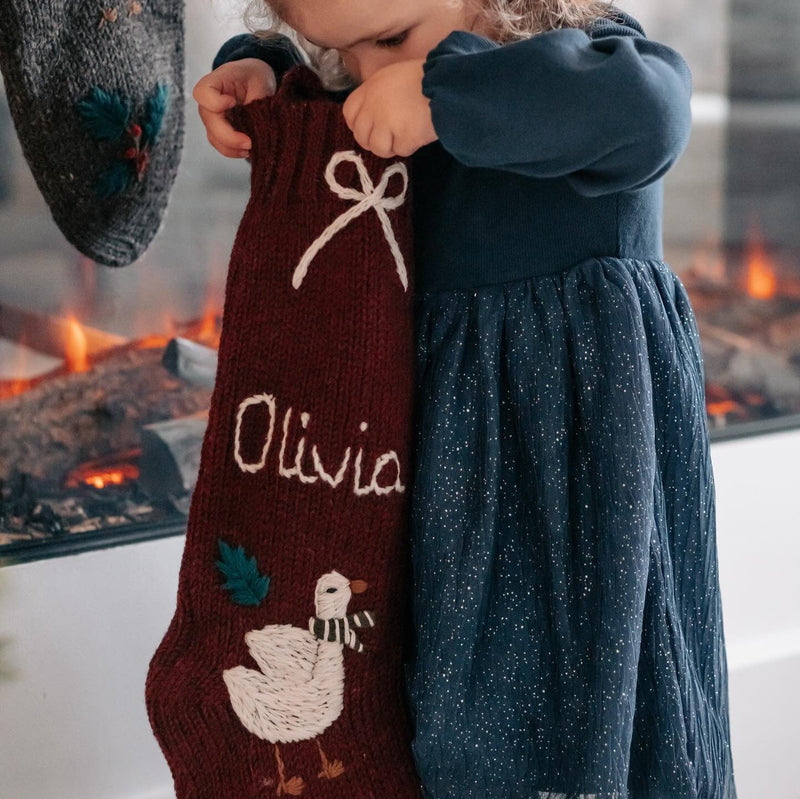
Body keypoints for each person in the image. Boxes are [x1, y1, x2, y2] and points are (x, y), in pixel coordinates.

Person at [194, 0, 738, 796]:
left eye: (388, 42)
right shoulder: (374, 54)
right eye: (337, 53)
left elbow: (651, 110)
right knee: (430, 715)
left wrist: (448, 96)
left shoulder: (588, 64)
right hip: (431, 466)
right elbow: (349, 57)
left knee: (579, 709)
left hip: (569, 476)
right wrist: (270, 72)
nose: (369, 82)